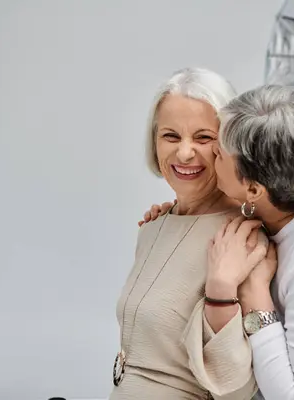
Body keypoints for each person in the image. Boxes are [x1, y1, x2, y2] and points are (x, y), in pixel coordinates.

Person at [140, 85, 294, 399]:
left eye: (217, 153)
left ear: (254, 189)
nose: (206, 154)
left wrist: (257, 300)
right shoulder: (289, 202)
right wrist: (177, 218)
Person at [109, 67, 269, 400]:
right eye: (171, 136)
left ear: (227, 144)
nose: (184, 153)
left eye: (203, 137)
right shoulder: (155, 227)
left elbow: (237, 391)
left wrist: (221, 289)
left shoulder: (241, 239)